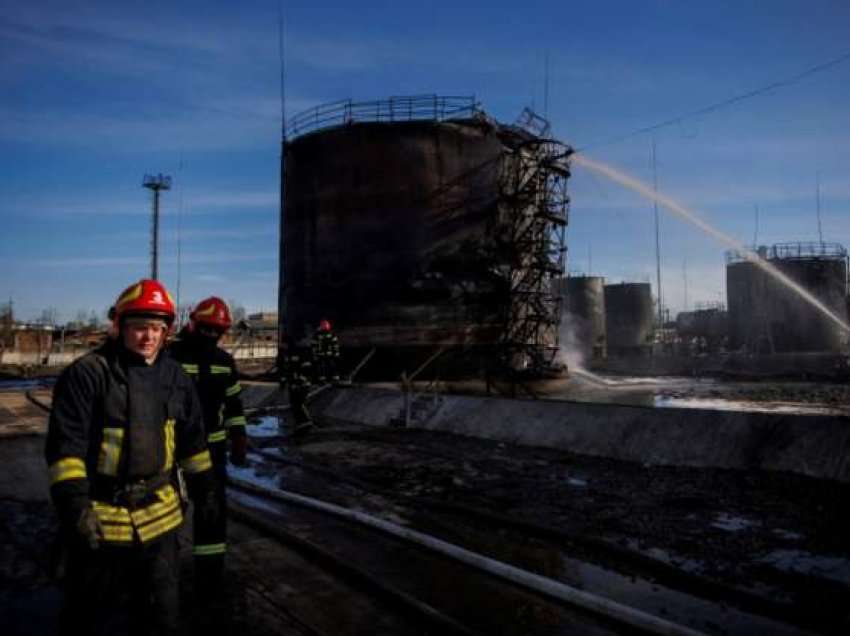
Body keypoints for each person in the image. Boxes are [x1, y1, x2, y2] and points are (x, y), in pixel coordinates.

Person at [45, 279, 216, 635]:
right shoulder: (88, 374)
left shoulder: (176, 377)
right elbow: (66, 451)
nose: (149, 337)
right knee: (88, 620)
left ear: (167, 331)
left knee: (161, 620)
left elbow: (193, 444)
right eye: (140, 327)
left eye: (157, 328)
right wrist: (76, 508)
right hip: (102, 525)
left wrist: (206, 493)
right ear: (118, 326)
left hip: (162, 524)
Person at [168, 296, 247, 596]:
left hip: (212, 454)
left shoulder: (225, 363)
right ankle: (161, 571)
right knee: (167, 512)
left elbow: (235, 404)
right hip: (172, 452)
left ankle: (210, 573)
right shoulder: (171, 357)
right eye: (207, 329)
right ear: (193, 324)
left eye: (218, 331)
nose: (212, 336)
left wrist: (239, 436)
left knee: (212, 512)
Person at [279, 336, 314, 433]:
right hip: (292, 385)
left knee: (299, 403)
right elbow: (287, 370)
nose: (281, 346)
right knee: (294, 404)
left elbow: (306, 370)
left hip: (301, 384)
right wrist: (283, 381)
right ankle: (299, 423)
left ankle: (307, 422)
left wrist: (299, 383)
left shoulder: (300, 353)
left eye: (283, 344)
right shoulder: (286, 354)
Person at [311, 318, 340, 383]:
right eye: (323, 325)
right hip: (321, 355)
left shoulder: (332, 334)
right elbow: (314, 346)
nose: (324, 327)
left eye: (325, 325)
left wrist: (336, 353)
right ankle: (322, 379)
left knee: (332, 366)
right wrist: (315, 355)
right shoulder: (317, 335)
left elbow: (335, 344)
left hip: (330, 354)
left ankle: (335, 378)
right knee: (321, 367)